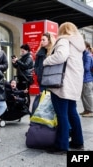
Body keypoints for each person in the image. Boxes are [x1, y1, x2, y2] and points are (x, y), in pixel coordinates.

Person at [43, 22, 85, 154]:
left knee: (62, 115)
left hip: (62, 83)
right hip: (74, 83)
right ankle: (78, 142)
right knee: (72, 112)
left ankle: (61, 146)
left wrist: (46, 60)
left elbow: (61, 56)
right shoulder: (78, 44)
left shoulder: (63, 40)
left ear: (62, 30)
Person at [79, 41, 93, 117]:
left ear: (87, 47)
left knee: (87, 95)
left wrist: (79, 68)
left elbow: (87, 68)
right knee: (83, 95)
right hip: (84, 79)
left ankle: (91, 111)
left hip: (87, 79)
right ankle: (86, 110)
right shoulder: (84, 54)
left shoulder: (87, 55)